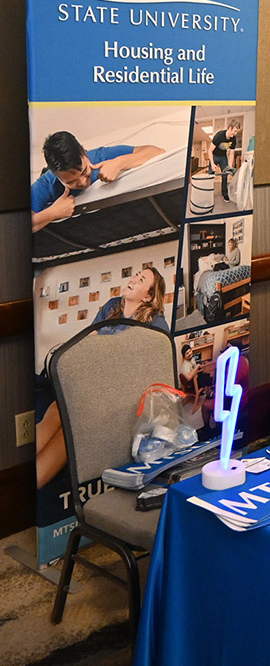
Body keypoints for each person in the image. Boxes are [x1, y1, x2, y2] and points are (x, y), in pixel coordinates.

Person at [36, 267, 169, 488]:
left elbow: (152, 372)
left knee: (69, 424)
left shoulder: (155, 325)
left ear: (148, 296)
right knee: (56, 410)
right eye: (136, 274)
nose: (134, 279)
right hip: (94, 386)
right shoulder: (111, 307)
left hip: (122, 399)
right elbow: (89, 342)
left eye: (142, 279)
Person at [31, 131, 163, 233]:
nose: (82, 182)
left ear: (85, 153)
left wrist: (120, 163)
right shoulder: (47, 183)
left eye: (84, 172)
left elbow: (158, 152)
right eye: (71, 182)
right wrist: (52, 213)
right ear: (56, 176)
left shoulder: (101, 156)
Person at [207, 120, 241, 202]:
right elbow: (209, 151)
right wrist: (212, 163)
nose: (235, 133)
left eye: (237, 131)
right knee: (211, 175)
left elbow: (231, 154)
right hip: (214, 156)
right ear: (230, 128)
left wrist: (228, 167)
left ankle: (225, 193)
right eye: (235, 131)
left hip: (223, 157)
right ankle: (208, 192)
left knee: (225, 175)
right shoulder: (219, 136)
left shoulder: (233, 139)